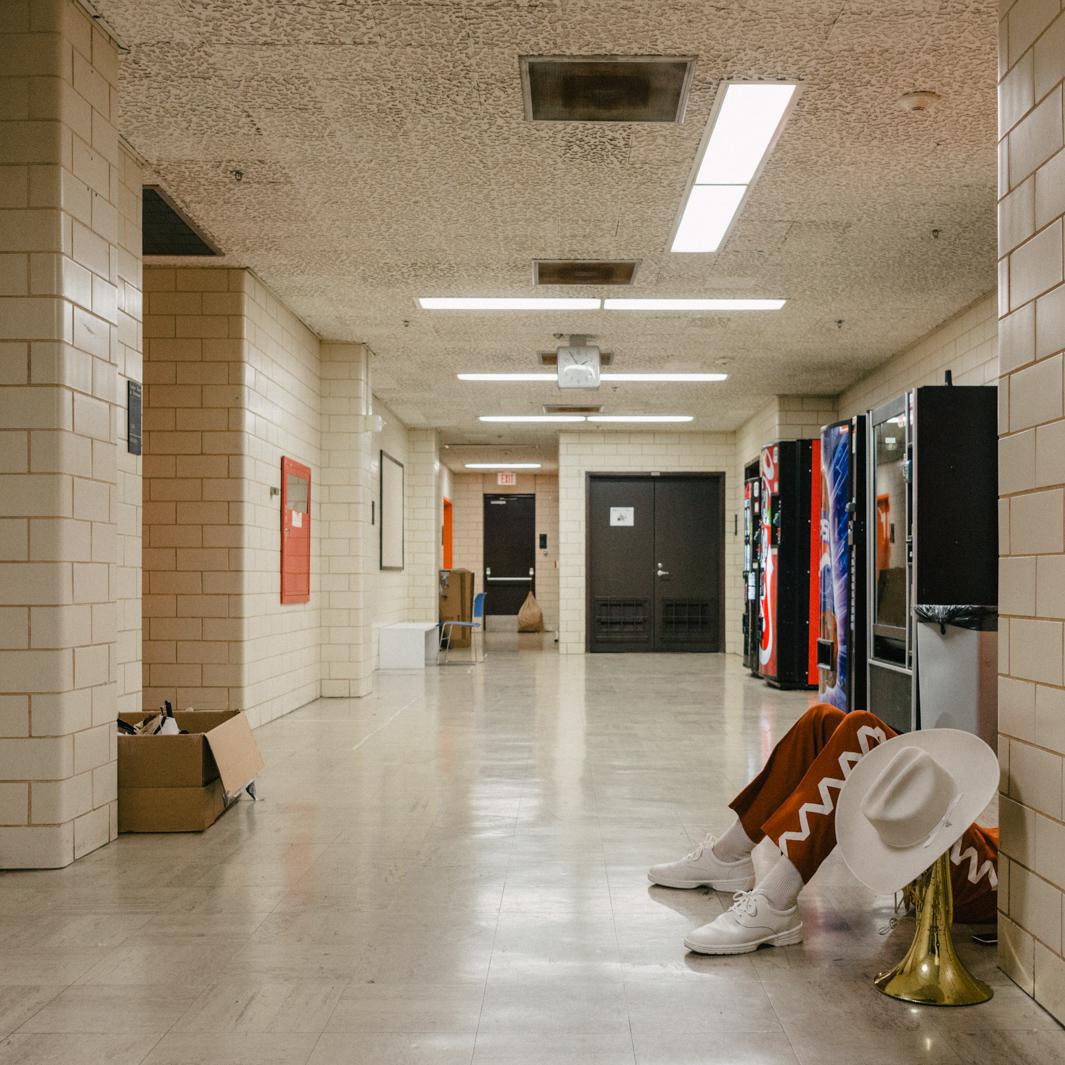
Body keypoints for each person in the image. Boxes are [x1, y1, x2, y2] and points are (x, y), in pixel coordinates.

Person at [647, 704, 999, 956]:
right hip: (981, 838)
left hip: (987, 876)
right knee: (822, 720)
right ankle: (729, 855)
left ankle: (776, 903)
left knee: (863, 729)